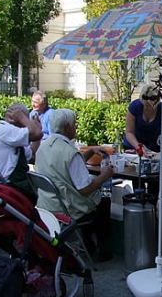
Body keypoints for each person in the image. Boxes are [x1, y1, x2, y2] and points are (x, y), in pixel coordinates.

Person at [35, 109, 114, 261]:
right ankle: (100, 249)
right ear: (67, 127)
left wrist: (90, 151)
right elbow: (85, 189)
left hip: (47, 205)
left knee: (88, 199)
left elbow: (66, 165)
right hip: (67, 209)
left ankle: (88, 243)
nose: (76, 127)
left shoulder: (44, 147)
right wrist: (104, 176)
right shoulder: (69, 152)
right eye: (74, 124)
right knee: (103, 201)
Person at [0, 103, 43, 201]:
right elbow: (37, 133)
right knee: (47, 194)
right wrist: (22, 118)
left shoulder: (12, 137)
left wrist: (38, 127)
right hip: (9, 187)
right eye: (25, 120)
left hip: (13, 185)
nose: (25, 126)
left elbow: (31, 154)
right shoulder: (6, 130)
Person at [123, 84, 162, 157]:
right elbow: (129, 132)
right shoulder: (135, 106)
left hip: (155, 148)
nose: (148, 108)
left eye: (151, 106)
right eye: (146, 105)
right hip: (133, 147)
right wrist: (139, 148)